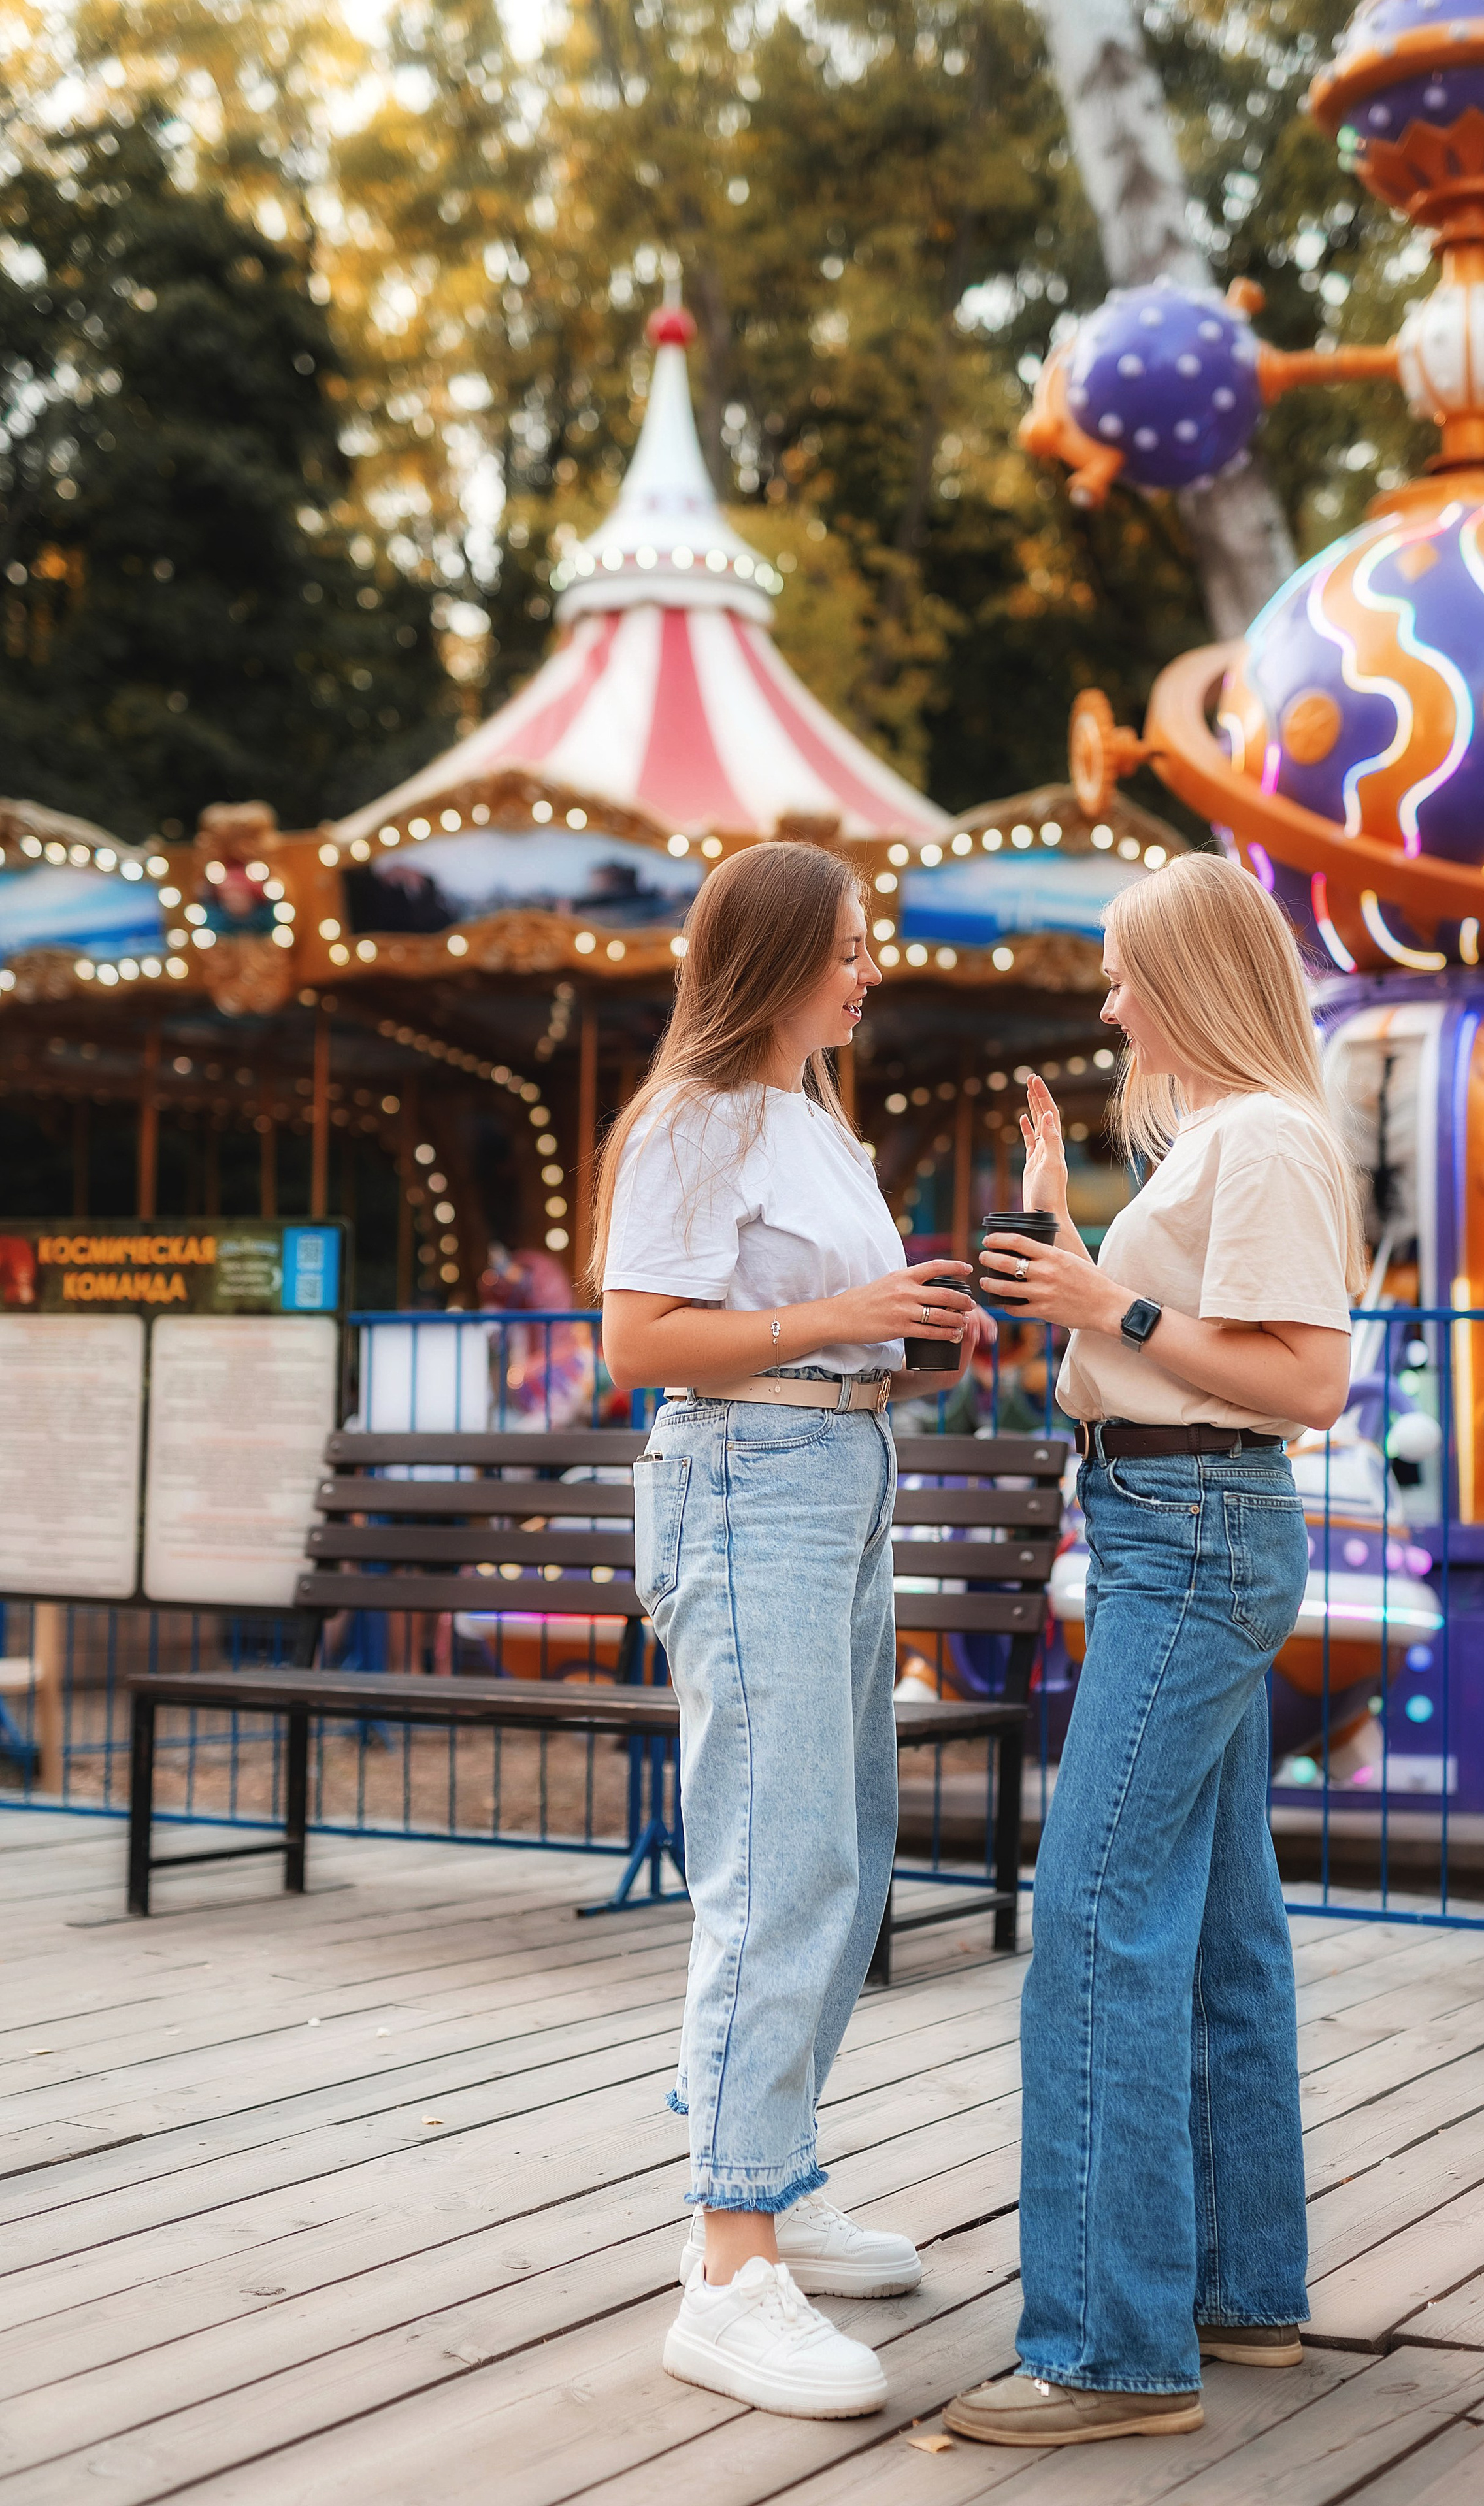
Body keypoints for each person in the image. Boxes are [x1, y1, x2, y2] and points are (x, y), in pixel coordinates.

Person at [946, 850, 1360, 2447]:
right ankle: (1238, 2290)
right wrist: (1070, 1248)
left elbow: (1298, 1378)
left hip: (1183, 1537)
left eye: (1127, 972)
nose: (1110, 999)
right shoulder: (1234, 1135)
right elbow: (1177, 1332)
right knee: (1219, 1923)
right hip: (1185, 1528)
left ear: (1191, 975)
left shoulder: (1258, 1138)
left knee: (1098, 1909)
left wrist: (1100, 1300)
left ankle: (1111, 2350)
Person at [595, 840, 991, 2422]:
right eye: (845, 947)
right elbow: (640, 1337)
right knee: (777, 1863)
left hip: (838, 1464)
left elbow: (826, 1334)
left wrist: (922, 1341)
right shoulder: (693, 1119)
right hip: (751, 1479)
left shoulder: (815, 1123)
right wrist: (845, 1322)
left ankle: (774, 2168)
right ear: (771, 960)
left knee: (848, 1851)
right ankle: (726, 2254)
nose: (867, 969)